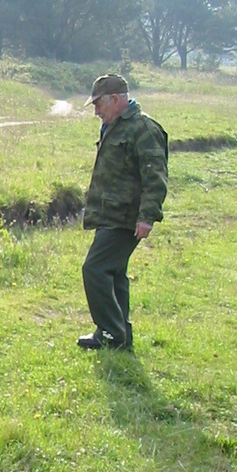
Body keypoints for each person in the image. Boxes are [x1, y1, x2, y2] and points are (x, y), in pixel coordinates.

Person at [77, 73, 168, 352]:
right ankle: (121, 338)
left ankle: (110, 334)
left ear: (115, 100)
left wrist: (146, 217)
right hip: (110, 215)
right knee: (114, 273)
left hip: (126, 219)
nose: (96, 111)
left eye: (99, 105)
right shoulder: (114, 126)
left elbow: (155, 177)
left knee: (94, 268)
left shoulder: (143, 129)